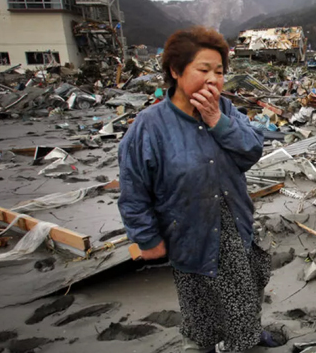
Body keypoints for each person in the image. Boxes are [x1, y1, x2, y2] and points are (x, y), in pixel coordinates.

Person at [118, 26, 276, 352]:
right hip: (188, 233)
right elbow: (134, 190)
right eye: (203, 70)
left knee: (246, 294)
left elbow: (252, 151)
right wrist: (147, 238)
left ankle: (246, 338)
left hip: (235, 225)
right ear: (176, 71)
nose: (214, 80)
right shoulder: (151, 126)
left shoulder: (227, 111)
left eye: (219, 72)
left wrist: (217, 120)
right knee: (200, 309)